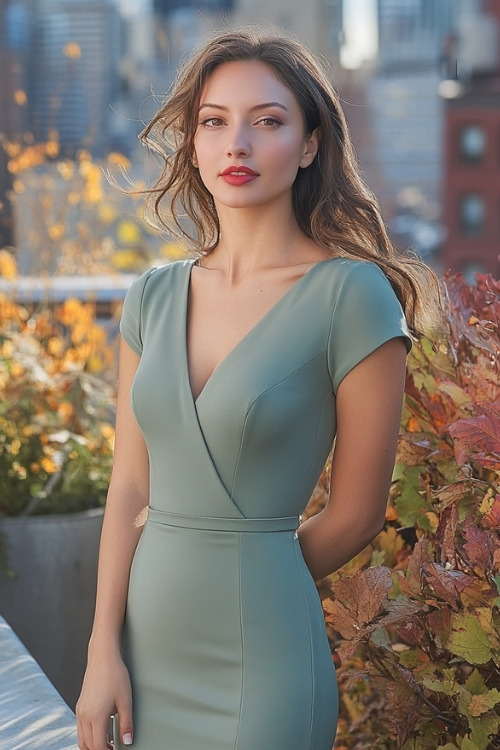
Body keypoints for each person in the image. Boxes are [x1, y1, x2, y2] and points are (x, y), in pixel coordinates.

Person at [76, 28, 440, 750]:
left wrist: (246, 569)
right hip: (144, 650)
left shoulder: (352, 297)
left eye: (267, 121)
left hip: (262, 655)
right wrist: (99, 649)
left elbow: (359, 514)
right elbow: (128, 488)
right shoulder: (150, 296)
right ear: (193, 144)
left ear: (308, 145)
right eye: (214, 121)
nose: (236, 143)